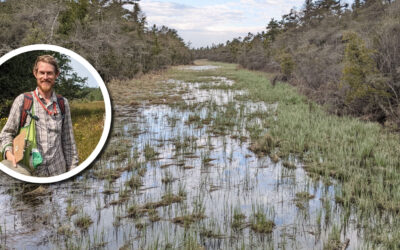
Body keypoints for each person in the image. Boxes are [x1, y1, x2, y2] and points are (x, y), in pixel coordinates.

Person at [0, 55, 78, 177]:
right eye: (42, 73)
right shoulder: (23, 101)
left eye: (49, 73)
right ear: (35, 73)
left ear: (56, 75)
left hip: (58, 172)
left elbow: (69, 142)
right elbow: (6, 133)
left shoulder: (63, 103)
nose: (45, 77)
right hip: (29, 175)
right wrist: (9, 154)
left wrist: (72, 172)